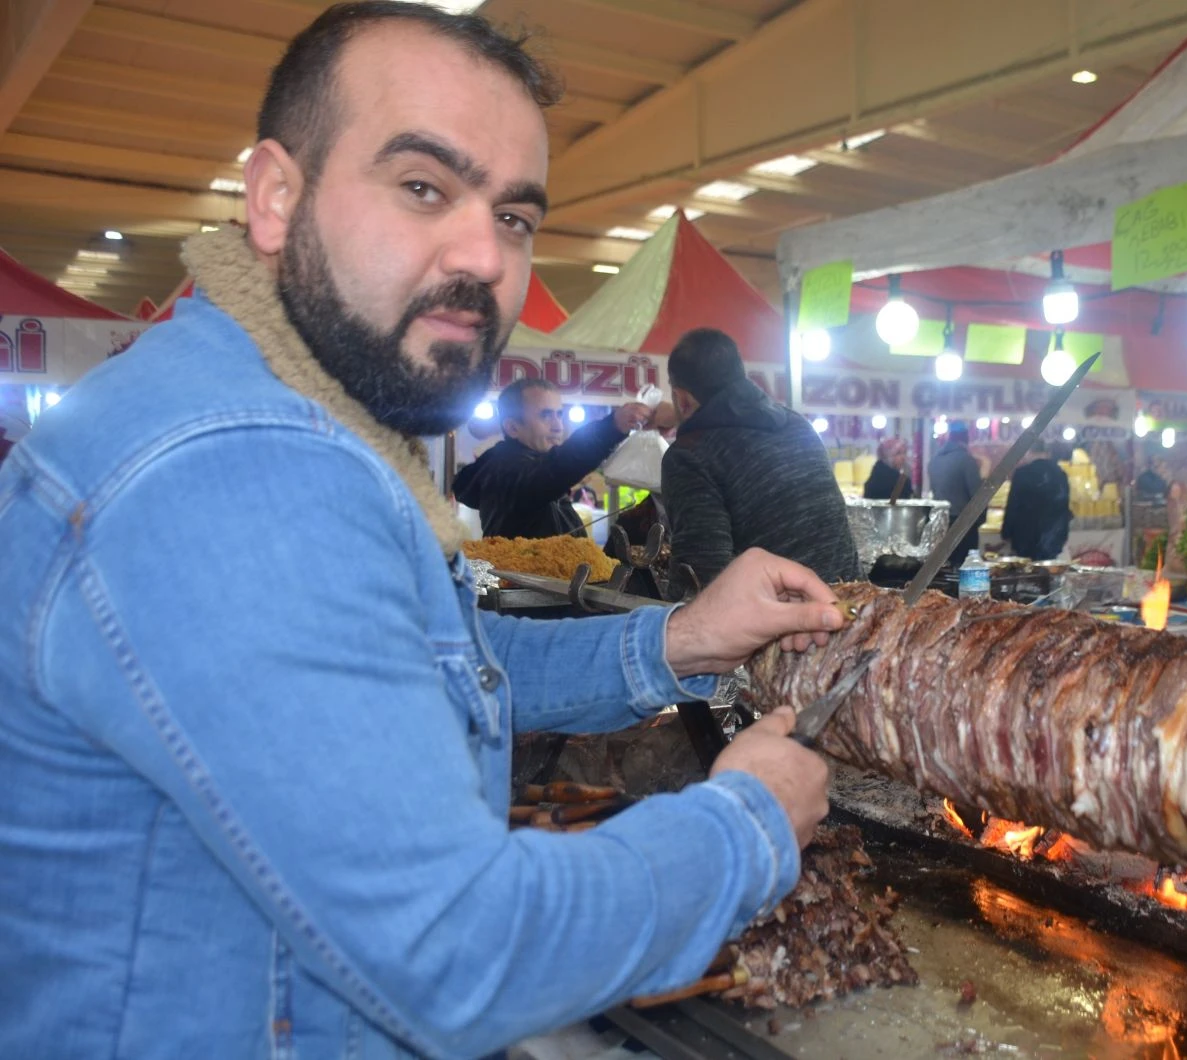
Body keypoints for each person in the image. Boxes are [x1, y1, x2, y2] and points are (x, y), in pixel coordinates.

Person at [0, 7, 843, 1058]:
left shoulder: (306, 421)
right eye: (422, 188)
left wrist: (677, 640)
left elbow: (427, 671)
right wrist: (745, 824)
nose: (482, 256)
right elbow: (454, 948)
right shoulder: (235, 465)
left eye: (517, 217)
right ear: (275, 197)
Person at [660, 327, 859, 596]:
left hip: (788, 626)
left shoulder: (688, 455)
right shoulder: (797, 425)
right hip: (852, 606)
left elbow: (700, 575)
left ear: (682, 398)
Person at [452, 377, 649, 538]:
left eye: (559, 415)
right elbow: (556, 468)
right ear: (513, 427)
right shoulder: (504, 469)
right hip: (525, 586)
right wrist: (612, 426)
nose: (558, 426)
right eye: (546, 416)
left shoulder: (530, 463)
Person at [1000, 439, 1072, 560]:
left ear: (1029, 452)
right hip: (1052, 535)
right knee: (1048, 572)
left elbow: (1013, 505)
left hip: (1025, 535)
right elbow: (1064, 506)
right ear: (1047, 452)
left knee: (1027, 572)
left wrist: (1006, 531)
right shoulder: (1060, 474)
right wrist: (1063, 534)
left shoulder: (1022, 473)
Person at [931, 422, 983, 562]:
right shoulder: (966, 460)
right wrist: (979, 520)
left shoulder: (935, 460)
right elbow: (978, 496)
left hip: (941, 523)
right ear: (965, 439)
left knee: (944, 567)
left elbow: (934, 490)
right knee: (964, 569)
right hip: (963, 524)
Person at [862, 435, 910, 500]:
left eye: (904, 453)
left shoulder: (876, 471)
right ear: (886, 455)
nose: (903, 458)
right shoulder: (898, 480)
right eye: (898, 453)